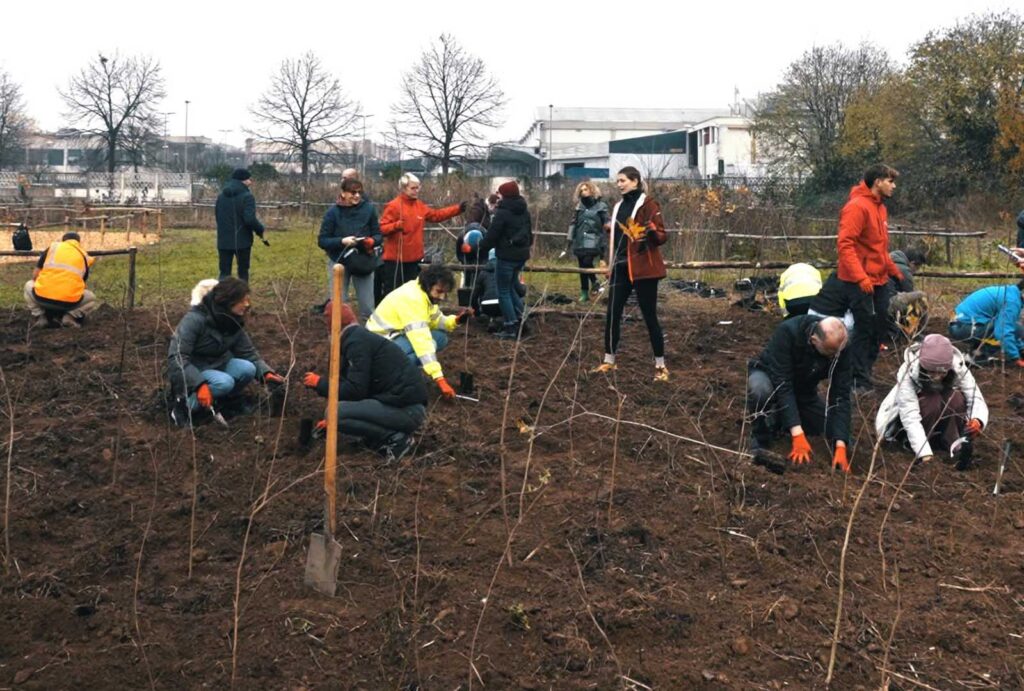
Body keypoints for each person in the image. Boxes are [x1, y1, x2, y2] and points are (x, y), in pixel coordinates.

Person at [813, 164, 904, 391]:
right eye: (890, 181)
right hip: (858, 281)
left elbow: (879, 248)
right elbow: (845, 245)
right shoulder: (857, 207)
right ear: (877, 182)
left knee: (879, 327)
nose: (894, 186)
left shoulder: (880, 209)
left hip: (879, 278)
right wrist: (860, 277)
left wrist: (894, 271)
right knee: (865, 328)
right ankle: (855, 380)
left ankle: (865, 373)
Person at [302, 302, 426, 461]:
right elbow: (360, 387)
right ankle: (381, 437)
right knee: (335, 414)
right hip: (403, 408)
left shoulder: (356, 343)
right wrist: (332, 422)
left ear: (331, 322)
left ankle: (396, 438)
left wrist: (320, 383)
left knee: (334, 412)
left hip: (408, 412)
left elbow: (355, 390)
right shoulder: (359, 337)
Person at [166, 277, 285, 426]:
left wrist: (265, 373)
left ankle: (227, 402)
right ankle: (183, 407)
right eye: (242, 301)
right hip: (194, 371)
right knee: (224, 382)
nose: (247, 305)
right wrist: (199, 385)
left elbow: (248, 353)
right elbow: (177, 357)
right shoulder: (194, 320)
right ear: (228, 302)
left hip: (217, 364)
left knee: (248, 368)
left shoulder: (233, 320)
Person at [746, 315, 852, 474]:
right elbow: (783, 385)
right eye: (830, 353)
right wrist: (797, 433)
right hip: (771, 378)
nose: (835, 357)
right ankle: (760, 437)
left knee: (833, 429)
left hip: (803, 393)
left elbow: (841, 395)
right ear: (814, 340)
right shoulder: (788, 332)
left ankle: (781, 420)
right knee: (760, 390)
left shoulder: (841, 347)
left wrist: (841, 444)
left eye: (837, 353)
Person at [592, 166, 669, 381]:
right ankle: (609, 361)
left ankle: (661, 367)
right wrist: (609, 261)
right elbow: (615, 241)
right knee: (612, 314)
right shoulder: (617, 207)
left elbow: (662, 236)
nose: (619, 184)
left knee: (649, 316)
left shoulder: (649, 204)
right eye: (618, 181)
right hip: (620, 268)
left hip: (644, 269)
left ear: (635, 181)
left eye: (623, 180)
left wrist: (652, 231)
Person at [875, 334, 987, 470]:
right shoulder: (907, 372)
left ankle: (951, 444)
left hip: (940, 415)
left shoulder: (958, 366)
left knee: (955, 398)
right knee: (932, 401)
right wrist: (925, 454)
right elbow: (910, 416)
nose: (937, 378)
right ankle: (913, 445)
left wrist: (977, 420)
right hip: (907, 425)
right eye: (932, 373)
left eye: (942, 373)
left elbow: (974, 396)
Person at [366, 265, 472, 399]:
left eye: (445, 293)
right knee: (430, 344)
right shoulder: (413, 299)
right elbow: (421, 341)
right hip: (379, 343)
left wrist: (456, 320)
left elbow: (436, 320)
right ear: (428, 286)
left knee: (440, 338)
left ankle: (405, 366)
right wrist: (439, 379)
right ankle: (391, 374)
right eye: (439, 291)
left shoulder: (423, 294)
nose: (442, 297)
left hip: (396, 335)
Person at [377, 173, 465, 301]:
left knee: (412, 294)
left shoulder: (419, 205)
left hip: (414, 259)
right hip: (395, 260)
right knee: (393, 294)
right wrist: (395, 226)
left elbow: (436, 215)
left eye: (418, 187)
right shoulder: (394, 206)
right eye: (413, 188)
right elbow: (382, 228)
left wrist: (457, 209)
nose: (417, 190)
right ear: (403, 188)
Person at [317, 178, 382, 319]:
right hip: (339, 261)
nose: (357, 196)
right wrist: (342, 241)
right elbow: (322, 240)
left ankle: (368, 336)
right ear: (343, 193)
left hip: (363, 261)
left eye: (359, 192)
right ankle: (339, 337)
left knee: (367, 307)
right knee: (339, 305)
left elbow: (378, 235)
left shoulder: (369, 209)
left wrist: (371, 241)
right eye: (353, 192)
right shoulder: (332, 213)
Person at [479, 181, 533, 339]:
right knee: (510, 288)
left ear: (505, 194)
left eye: (500, 193)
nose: (498, 195)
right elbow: (529, 234)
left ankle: (511, 326)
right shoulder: (524, 211)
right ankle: (522, 319)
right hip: (521, 256)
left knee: (503, 292)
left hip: (506, 257)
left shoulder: (502, 213)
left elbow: (492, 235)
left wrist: (479, 247)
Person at [24, 231, 100, 328]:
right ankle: (70, 316)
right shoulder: (83, 256)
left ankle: (40, 316)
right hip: (68, 304)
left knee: (28, 285)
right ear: (78, 243)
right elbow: (82, 286)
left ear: (63, 241)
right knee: (92, 298)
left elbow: (35, 275)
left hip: (41, 298)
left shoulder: (53, 248)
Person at [947, 281, 1024, 366]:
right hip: (963, 327)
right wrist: (1016, 358)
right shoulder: (1012, 302)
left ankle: (976, 354)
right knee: (1009, 330)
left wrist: (1021, 349)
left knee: (1009, 327)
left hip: (958, 323)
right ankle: (977, 356)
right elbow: (1003, 332)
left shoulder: (1010, 292)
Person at [215, 168, 266, 282]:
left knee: (224, 272)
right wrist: (260, 229)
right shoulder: (247, 196)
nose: (251, 182)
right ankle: (242, 297)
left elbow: (217, 216)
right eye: (249, 179)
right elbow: (250, 219)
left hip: (223, 240)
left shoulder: (221, 196)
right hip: (242, 241)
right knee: (243, 271)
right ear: (244, 180)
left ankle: (222, 297)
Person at [567, 181, 609, 302]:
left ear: (592, 190)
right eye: (581, 190)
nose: (583, 192)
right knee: (581, 267)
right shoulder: (579, 206)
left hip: (593, 239)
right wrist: (570, 237)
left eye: (586, 189)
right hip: (579, 239)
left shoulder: (601, 206)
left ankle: (595, 282)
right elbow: (573, 222)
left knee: (587, 261)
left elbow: (606, 222)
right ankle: (584, 292)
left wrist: (608, 232)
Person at [472, 248, 527, 331]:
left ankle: (494, 321)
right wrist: (523, 285)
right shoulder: (508, 271)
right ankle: (504, 321)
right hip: (504, 304)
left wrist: (477, 312)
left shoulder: (482, 273)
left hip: (487, 306)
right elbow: (521, 292)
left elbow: (474, 295)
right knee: (515, 302)